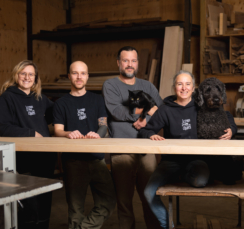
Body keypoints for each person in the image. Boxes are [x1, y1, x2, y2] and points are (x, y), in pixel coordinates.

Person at [140, 70, 237, 229]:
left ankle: (180, 175)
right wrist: (151, 135)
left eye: (187, 84)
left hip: (196, 159)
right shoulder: (165, 109)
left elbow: (225, 115)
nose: (183, 88)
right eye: (179, 84)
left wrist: (232, 129)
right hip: (170, 161)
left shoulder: (201, 106)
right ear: (174, 87)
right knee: (148, 193)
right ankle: (168, 225)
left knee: (200, 181)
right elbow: (145, 130)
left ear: (193, 88)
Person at [102, 46, 163, 229]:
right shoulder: (110, 85)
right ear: (119, 63)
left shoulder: (147, 86)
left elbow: (160, 111)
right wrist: (144, 114)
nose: (130, 65)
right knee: (124, 200)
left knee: (151, 197)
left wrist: (146, 120)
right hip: (121, 149)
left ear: (138, 63)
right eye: (126, 61)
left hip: (146, 148)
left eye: (133, 61)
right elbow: (117, 111)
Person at [53, 61, 116, 229]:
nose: (79, 77)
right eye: (75, 73)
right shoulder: (61, 103)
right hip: (73, 161)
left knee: (108, 201)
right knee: (75, 208)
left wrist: (98, 134)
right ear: (69, 76)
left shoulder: (97, 100)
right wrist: (68, 133)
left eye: (83, 73)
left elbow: (103, 125)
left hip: (96, 159)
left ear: (87, 76)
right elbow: (58, 130)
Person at [0, 60, 56, 229]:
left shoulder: (40, 98)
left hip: (44, 157)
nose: (27, 77)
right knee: (28, 205)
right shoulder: (7, 97)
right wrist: (31, 133)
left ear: (35, 78)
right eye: (23, 73)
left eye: (31, 74)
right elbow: (2, 127)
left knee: (45, 200)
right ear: (16, 75)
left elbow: (58, 114)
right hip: (23, 158)